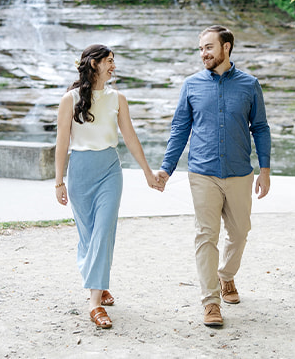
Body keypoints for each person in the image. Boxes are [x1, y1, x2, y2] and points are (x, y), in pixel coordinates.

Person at [156, 25, 271, 327]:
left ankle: (226, 276)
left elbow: (260, 128)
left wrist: (265, 170)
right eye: (201, 49)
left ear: (226, 47)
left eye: (209, 47)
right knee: (205, 236)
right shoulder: (191, 85)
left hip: (239, 173)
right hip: (202, 174)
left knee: (241, 231)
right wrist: (166, 169)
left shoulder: (249, 85)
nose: (204, 54)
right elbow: (180, 129)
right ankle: (210, 302)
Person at [54, 44, 162, 329]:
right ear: (94, 64)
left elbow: (130, 138)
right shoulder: (70, 99)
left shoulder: (118, 98)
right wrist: (58, 181)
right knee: (88, 237)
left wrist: (148, 173)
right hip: (80, 171)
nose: (114, 66)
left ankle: (94, 305)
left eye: (114, 61)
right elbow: (62, 142)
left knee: (103, 233)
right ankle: (99, 284)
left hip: (110, 171)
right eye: (109, 61)